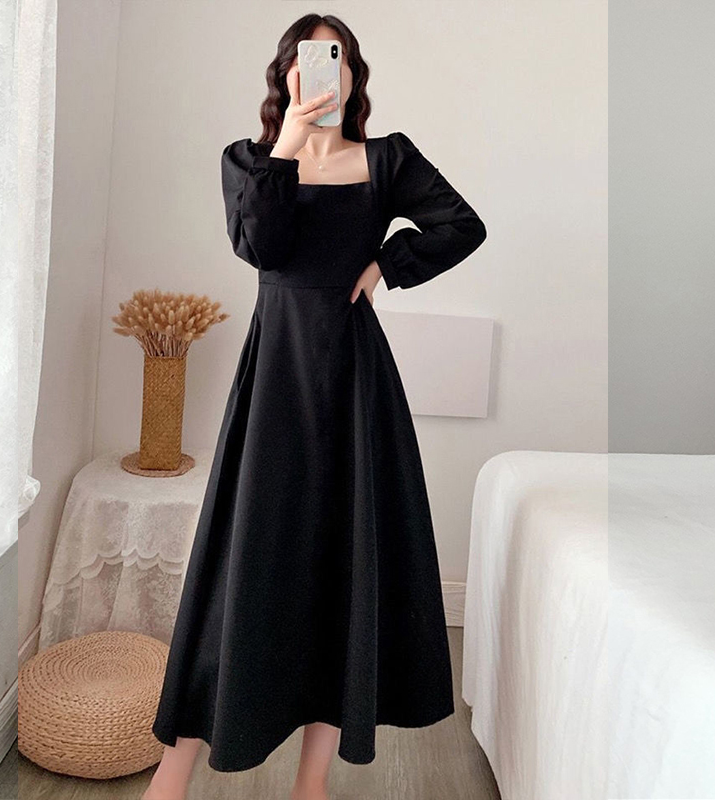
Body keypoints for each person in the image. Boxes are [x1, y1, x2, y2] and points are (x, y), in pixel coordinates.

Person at [143, 13, 486, 800]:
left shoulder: (388, 159)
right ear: (287, 74)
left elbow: (462, 225)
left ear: (354, 73)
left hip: (357, 385)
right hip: (275, 382)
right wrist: (292, 138)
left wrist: (385, 264)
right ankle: (173, 775)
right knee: (239, 570)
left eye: (339, 58)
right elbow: (257, 247)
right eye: (310, 59)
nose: (326, 71)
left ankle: (312, 782)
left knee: (345, 568)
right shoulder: (250, 161)